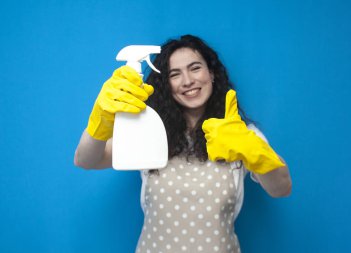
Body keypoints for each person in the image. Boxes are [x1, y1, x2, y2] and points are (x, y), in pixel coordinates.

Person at [74, 35, 292, 253]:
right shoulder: (148, 132)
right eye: (174, 74)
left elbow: (281, 188)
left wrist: (254, 151)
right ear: (166, 85)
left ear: (212, 73)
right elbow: (86, 160)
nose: (187, 81)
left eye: (195, 68)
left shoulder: (241, 134)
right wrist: (99, 123)